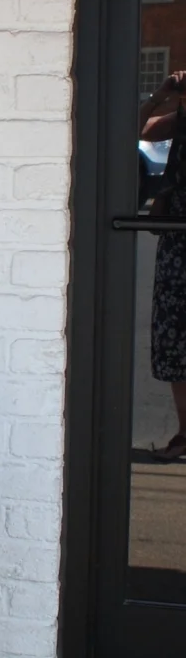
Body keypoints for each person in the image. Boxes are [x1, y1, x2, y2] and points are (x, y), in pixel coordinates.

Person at [141, 70, 186, 459]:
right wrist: (161, 95)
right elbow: (133, 130)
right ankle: (185, 434)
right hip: (178, 242)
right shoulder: (180, 120)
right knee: (176, 344)